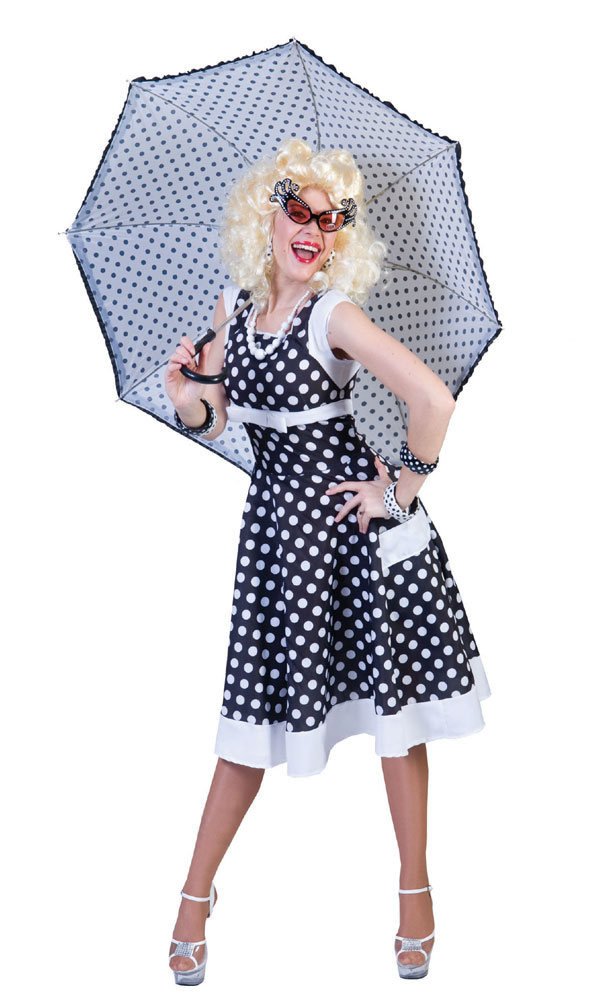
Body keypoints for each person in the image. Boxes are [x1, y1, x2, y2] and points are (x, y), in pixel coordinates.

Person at [164, 138, 491, 984]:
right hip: (278, 545)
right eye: (299, 211)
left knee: (394, 718)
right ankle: (195, 896)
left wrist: (399, 493)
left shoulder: (332, 316)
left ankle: (415, 892)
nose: (314, 230)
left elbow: (433, 400)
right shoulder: (234, 310)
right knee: (249, 716)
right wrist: (187, 398)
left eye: (333, 218)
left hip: (350, 539)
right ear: (264, 217)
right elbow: (215, 417)